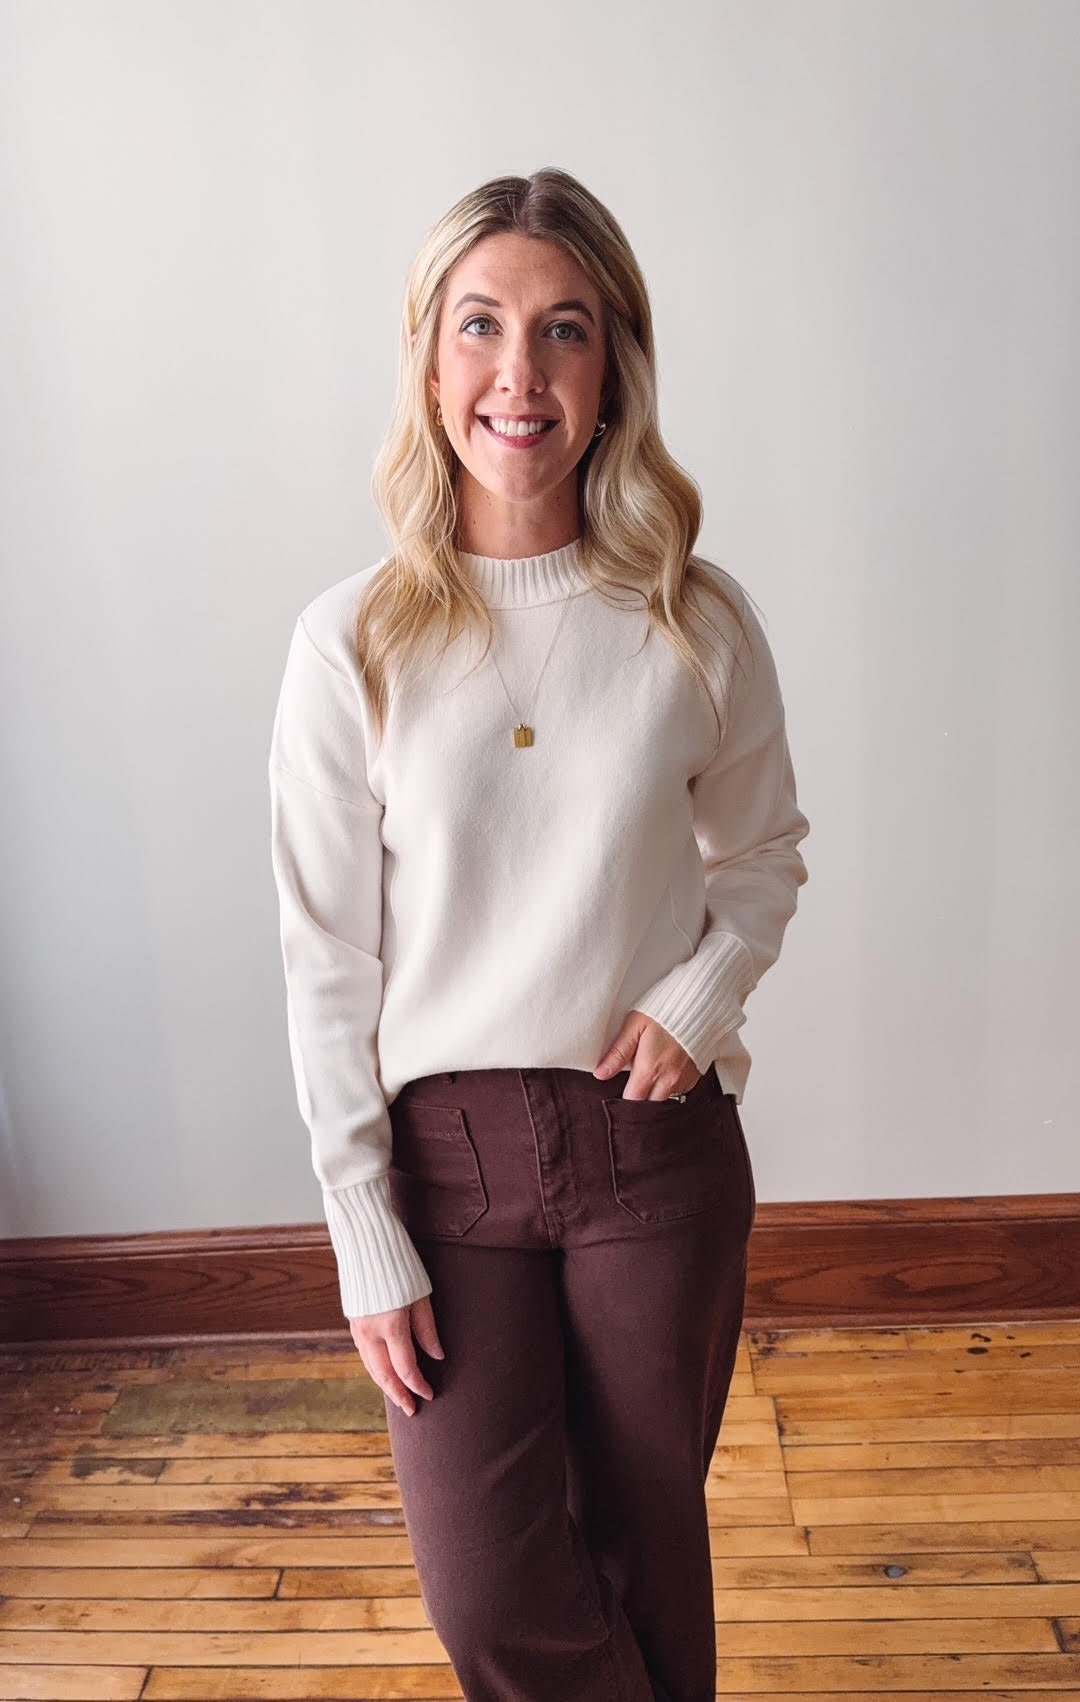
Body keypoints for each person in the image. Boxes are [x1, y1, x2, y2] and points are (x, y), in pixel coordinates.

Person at [268, 165, 809, 1702]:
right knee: (494, 1588)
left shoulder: (695, 618)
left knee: (645, 1552)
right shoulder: (352, 642)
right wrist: (361, 1225)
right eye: (481, 325)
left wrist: (701, 997)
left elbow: (764, 854)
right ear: (429, 361)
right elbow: (325, 955)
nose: (521, 373)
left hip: (653, 1146)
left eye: (565, 329)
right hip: (446, 1169)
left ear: (614, 366)